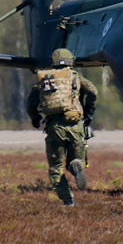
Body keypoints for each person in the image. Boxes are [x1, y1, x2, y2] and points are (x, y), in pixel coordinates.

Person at [27, 48, 98, 206]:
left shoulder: (44, 79)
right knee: (74, 160)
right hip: (76, 126)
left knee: (56, 168)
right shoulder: (75, 77)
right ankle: (77, 164)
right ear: (70, 61)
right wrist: (88, 110)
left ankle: (68, 200)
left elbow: (31, 104)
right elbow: (93, 92)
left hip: (55, 128)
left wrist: (35, 119)